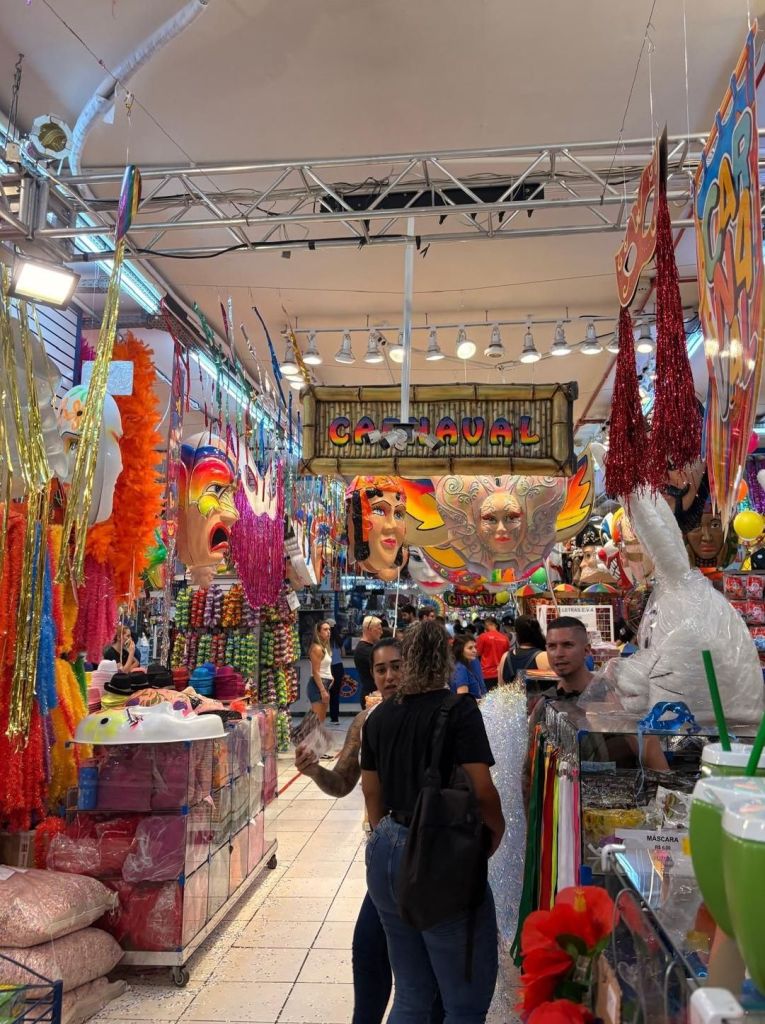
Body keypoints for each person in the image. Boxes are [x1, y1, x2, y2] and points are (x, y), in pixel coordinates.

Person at [361, 621, 505, 1023]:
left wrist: (387, 838)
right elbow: (481, 788)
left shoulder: (380, 716)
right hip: (439, 852)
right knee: (465, 1003)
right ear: (446, 656)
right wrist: (494, 832)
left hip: (387, 846)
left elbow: (372, 793)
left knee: (411, 995)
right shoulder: (459, 711)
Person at [295, 640, 443, 1024]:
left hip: (436, 857)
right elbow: (342, 783)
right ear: (372, 675)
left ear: (412, 667)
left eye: (397, 667)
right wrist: (313, 771)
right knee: (369, 949)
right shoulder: (367, 722)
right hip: (389, 859)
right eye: (381, 670)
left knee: (430, 965)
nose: (390, 676)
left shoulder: (440, 716)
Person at [524, 616, 667, 804]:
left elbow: (655, 763)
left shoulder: (616, 695)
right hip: (565, 812)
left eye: (567, 645)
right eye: (551, 646)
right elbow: (530, 774)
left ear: (586, 650)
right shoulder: (545, 706)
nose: (558, 653)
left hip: (621, 808)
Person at [498, 614, 550, 683]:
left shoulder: (505, 657)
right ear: (538, 632)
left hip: (512, 693)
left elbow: (501, 686)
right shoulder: (544, 656)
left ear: (517, 634)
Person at [354, 615, 383, 708]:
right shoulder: (364, 650)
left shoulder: (371, 648)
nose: (381, 632)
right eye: (378, 629)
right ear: (369, 629)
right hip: (372, 695)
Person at [307, 620, 333, 723]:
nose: (328, 632)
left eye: (329, 629)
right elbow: (315, 671)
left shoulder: (325, 648)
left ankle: (316, 739)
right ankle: (300, 737)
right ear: (318, 632)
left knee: (320, 721)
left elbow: (325, 667)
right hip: (318, 686)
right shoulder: (317, 648)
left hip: (324, 684)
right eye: (325, 629)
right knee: (315, 722)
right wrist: (322, 690)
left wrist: (331, 677)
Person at [475, 616, 509, 691]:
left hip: (486, 673)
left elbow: (477, 653)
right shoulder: (505, 638)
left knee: (488, 698)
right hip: (501, 673)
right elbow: (506, 656)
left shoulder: (482, 637)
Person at [328, 623, 346, 724]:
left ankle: (328, 716)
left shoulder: (326, 642)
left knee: (327, 693)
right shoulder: (339, 641)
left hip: (329, 668)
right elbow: (343, 654)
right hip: (339, 667)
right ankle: (335, 717)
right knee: (335, 694)